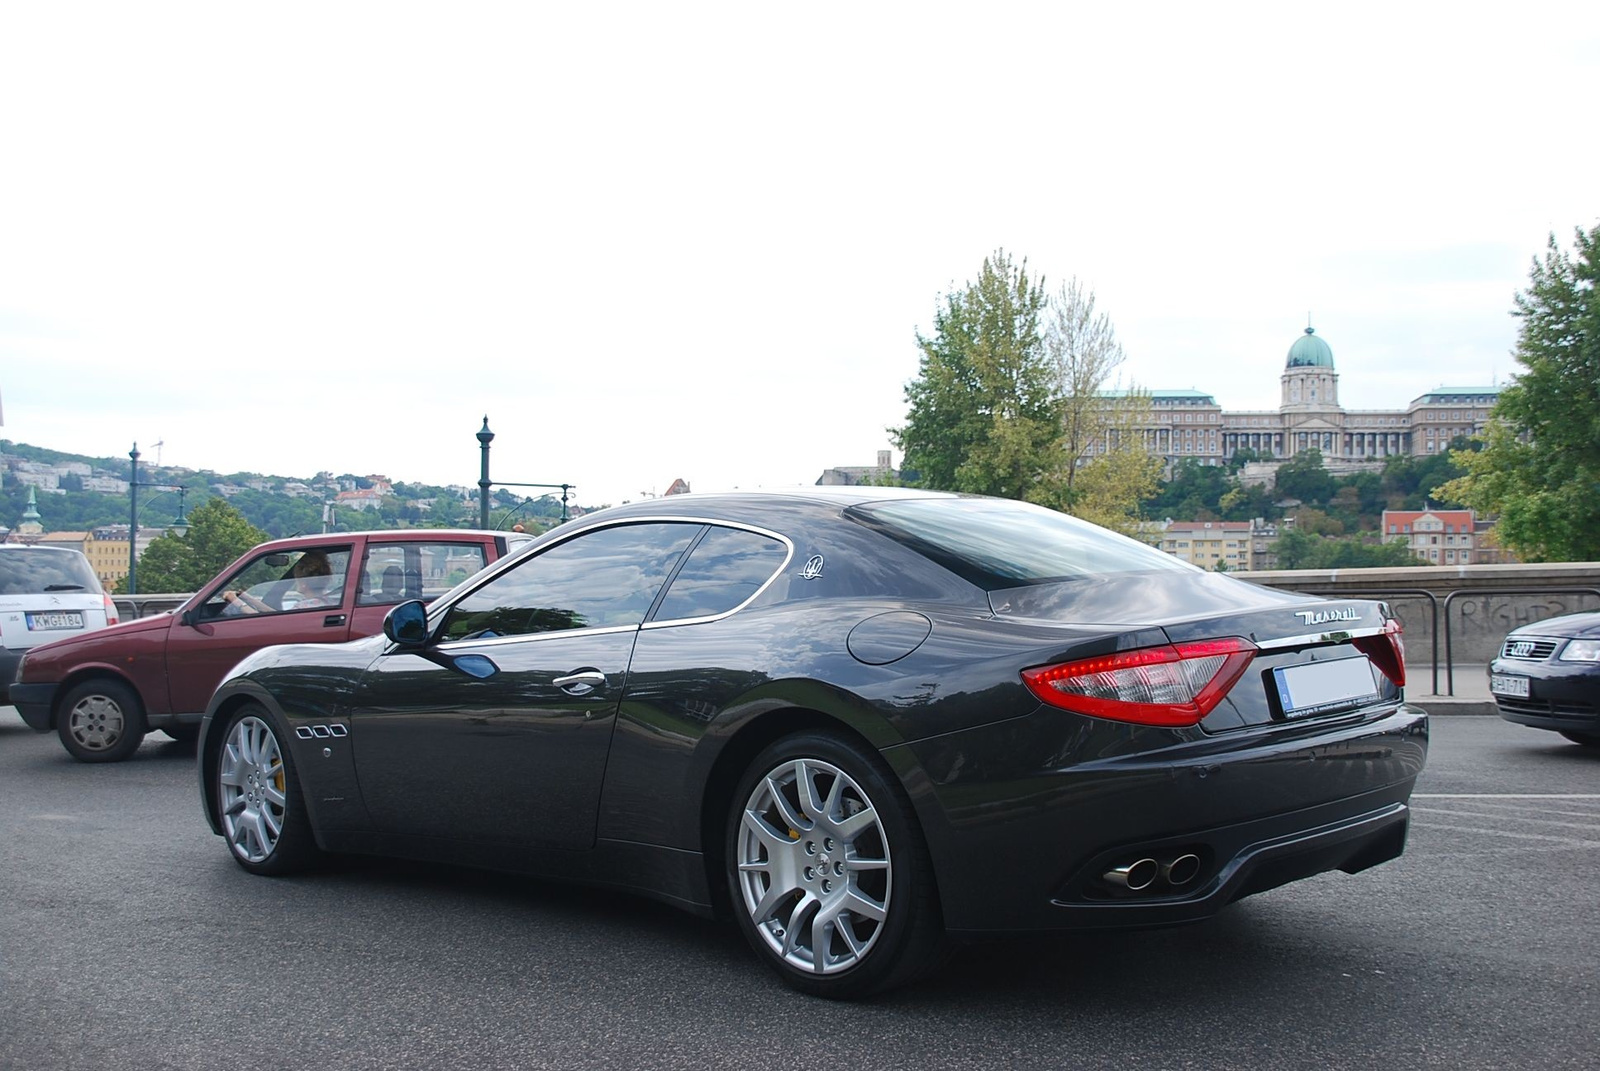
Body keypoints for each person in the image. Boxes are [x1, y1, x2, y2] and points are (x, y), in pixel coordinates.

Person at [223, 551, 340, 614]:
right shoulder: (328, 602)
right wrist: (247, 598)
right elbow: (276, 617)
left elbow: (268, 624)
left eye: (296, 579)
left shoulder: (303, 607)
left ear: (304, 583)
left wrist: (235, 601)